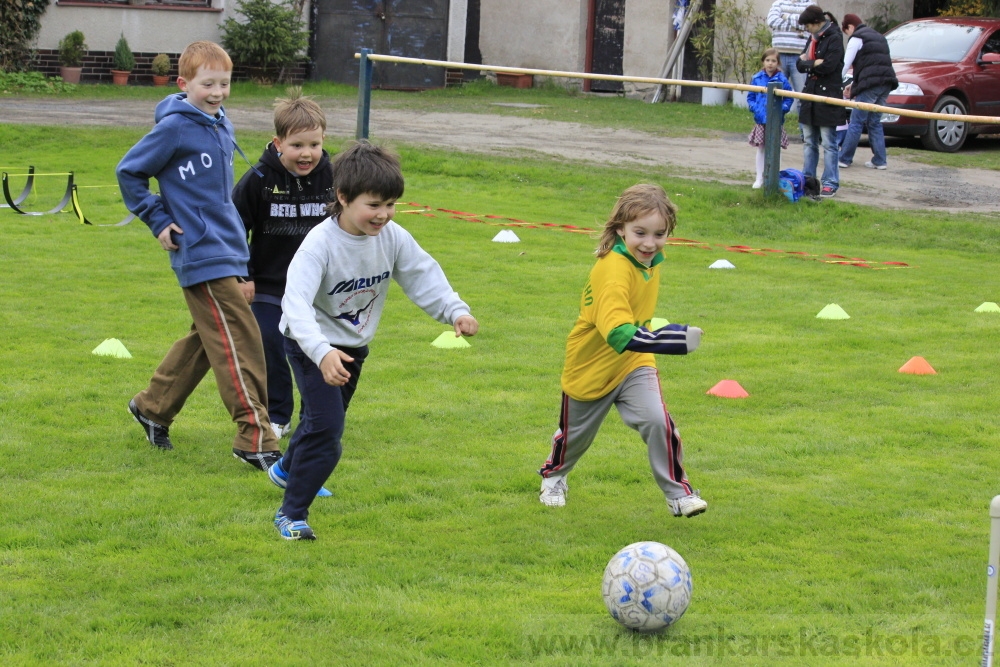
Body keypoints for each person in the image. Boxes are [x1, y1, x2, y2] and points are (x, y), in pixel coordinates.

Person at [270, 141, 479, 540]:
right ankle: (291, 513)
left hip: (351, 346)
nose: (383, 214)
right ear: (343, 198)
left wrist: (455, 310)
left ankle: (284, 470)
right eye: (374, 205)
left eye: (390, 205)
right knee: (328, 432)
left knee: (320, 422)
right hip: (308, 343)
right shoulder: (319, 244)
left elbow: (422, 275)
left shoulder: (393, 237)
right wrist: (321, 353)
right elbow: (295, 306)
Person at [117, 41, 282, 470]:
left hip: (227, 247)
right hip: (197, 249)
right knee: (239, 337)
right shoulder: (173, 128)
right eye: (207, 84)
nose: (217, 92)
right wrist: (157, 220)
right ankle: (255, 435)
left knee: (210, 338)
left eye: (224, 83)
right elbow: (129, 172)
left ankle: (153, 406)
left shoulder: (220, 123)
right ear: (183, 84)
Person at [537, 183, 707, 518]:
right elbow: (617, 333)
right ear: (620, 229)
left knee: (658, 421)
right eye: (640, 232)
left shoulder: (649, 259)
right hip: (592, 366)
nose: (649, 243)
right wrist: (670, 338)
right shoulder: (613, 272)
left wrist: (652, 342)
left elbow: (630, 337)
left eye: (659, 234)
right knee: (574, 439)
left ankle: (679, 494)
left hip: (633, 361)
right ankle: (554, 477)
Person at [232, 90, 334, 441]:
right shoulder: (259, 180)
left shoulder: (335, 179)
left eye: (314, 144)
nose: (307, 153)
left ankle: (317, 413)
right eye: (297, 145)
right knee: (271, 345)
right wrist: (242, 275)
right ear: (278, 143)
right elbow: (233, 227)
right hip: (269, 285)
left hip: (319, 288)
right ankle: (277, 415)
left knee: (317, 348)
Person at [796, 5, 847, 198]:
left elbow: (829, 66)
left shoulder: (834, 37)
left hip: (828, 97)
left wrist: (811, 63)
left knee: (829, 143)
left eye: (808, 25)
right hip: (810, 94)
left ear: (817, 23)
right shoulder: (813, 38)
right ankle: (808, 180)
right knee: (809, 141)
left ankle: (830, 182)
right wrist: (813, 63)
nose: (806, 30)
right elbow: (799, 64)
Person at [837, 13, 898, 171]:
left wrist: (836, 82)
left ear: (849, 27)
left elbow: (845, 64)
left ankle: (844, 158)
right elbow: (874, 65)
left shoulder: (857, 38)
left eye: (846, 32)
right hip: (886, 83)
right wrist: (855, 86)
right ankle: (880, 160)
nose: (848, 36)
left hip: (871, 85)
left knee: (856, 121)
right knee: (874, 122)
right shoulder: (879, 37)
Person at [747, 48, 794, 189]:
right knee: (761, 148)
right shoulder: (757, 78)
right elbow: (751, 97)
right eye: (767, 60)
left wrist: (782, 109)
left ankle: (774, 177)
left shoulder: (782, 79)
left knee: (775, 148)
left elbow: (788, 97)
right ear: (763, 62)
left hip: (776, 120)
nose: (770, 64)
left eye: (773, 61)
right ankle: (759, 177)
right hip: (761, 120)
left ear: (778, 63)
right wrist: (755, 109)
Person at [765, 0, 812, 112]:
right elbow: (772, 21)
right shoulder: (779, 3)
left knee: (803, 96)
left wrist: (785, 16)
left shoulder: (810, 4)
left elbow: (808, 25)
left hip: (800, 57)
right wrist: (797, 25)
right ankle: (774, 128)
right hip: (778, 56)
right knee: (774, 94)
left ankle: (803, 129)